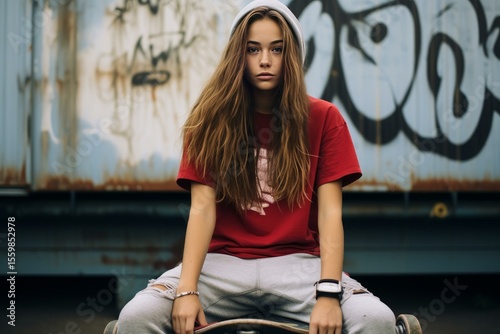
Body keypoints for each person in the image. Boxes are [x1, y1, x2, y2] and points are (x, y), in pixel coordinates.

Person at [117, 1, 397, 333]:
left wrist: (328, 292)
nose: (265, 60)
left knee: (377, 320)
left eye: (276, 49)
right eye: (253, 49)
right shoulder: (209, 120)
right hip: (221, 265)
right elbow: (202, 209)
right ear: (239, 55)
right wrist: (187, 290)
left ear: (291, 56)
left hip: (299, 267)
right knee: (136, 318)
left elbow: (330, 215)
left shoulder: (324, 119)